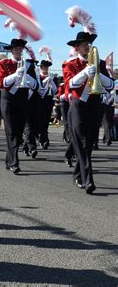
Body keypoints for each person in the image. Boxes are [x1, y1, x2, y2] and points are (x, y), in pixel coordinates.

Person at [63, 31, 114, 194]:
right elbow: (70, 84)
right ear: (77, 48)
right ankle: (88, 181)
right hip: (78, 107)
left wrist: (98, 73)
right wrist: (85, 73)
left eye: (88, 44)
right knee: (83, 144)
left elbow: (111, 86)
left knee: (90, 144)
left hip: (95, 106)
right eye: (84, 44)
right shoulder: (70, 64)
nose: (87, 46)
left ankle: (78, 175)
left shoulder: (99, 62)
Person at [0, 38, 37, 174]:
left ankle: (9, 159)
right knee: (11, 131)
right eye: (16, 48)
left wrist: (27, 76)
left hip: (23, 99)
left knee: (18, 134)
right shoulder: (4, 63)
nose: (19, 51)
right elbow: (1, 83)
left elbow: (36, 85)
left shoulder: (28, 65)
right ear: (12, 50)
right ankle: (15, 163)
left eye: (21, 48)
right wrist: (15, 75)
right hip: (8, 100)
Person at [37, 60, 58, 149]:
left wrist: (51, 82)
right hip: (38, 101)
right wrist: (45, 81)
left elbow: (55, 90)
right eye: (44, 67)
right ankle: (40, 137)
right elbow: (37, 88)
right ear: (41, 68)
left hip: (48, 101)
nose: (45, 68)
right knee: (39, 120)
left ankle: (44, 139)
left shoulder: (52, 78)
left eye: (47, 67)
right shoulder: (38, 77)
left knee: (46, 121)